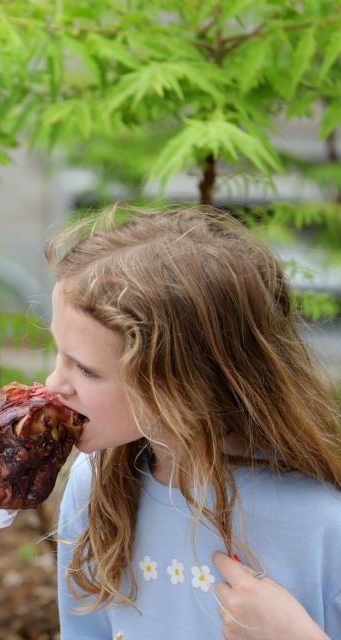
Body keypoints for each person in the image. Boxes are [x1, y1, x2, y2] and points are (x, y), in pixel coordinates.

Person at [44, 206, 341, 639]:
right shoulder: (95, 489)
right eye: (59, 353)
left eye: (86, 369)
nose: (54, 384)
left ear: (185, 385)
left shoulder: (321, 523)